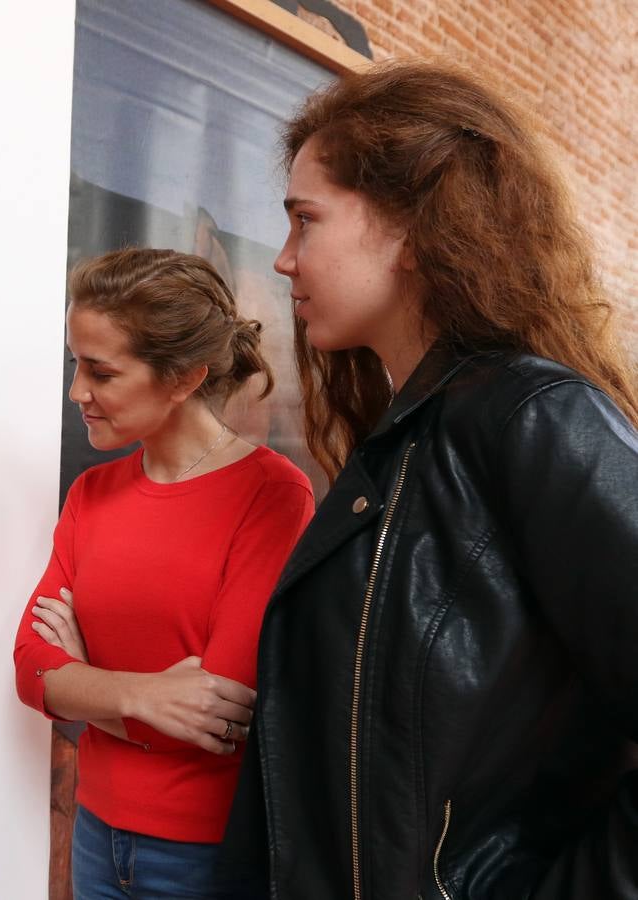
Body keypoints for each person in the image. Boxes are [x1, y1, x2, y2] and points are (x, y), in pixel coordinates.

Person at [224, 60, 638, 899]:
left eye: (306, 222)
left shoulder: (528, 416)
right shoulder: (408, 435)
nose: (282, 259)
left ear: (414, 230)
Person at [13, 248, 314, 899]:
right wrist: (138, 695)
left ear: (181, 378)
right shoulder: (90, 493)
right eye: (75, 365)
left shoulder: (270, 495)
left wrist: (81, 682)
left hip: (203, 854)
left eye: (101, 372)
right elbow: (29, 665)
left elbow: (216, 714)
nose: (77, 392)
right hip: (93, 835)